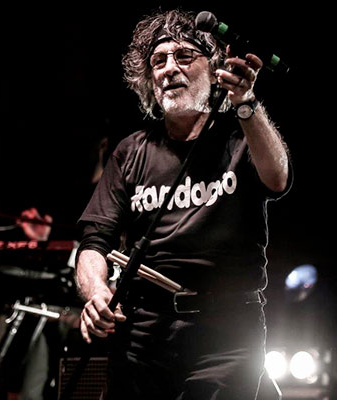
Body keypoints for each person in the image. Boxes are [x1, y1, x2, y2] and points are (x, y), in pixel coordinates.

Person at [75, 9, 290, 400]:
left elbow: (278, 179)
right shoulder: (130, 151)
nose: (169, 69)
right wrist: (96, 293)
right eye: (158, 61)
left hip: (228, 331)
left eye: (185, 56)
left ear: (215, 68)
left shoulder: (241, 136)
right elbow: (94, 243)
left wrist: (246, 103)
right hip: (144, 331)